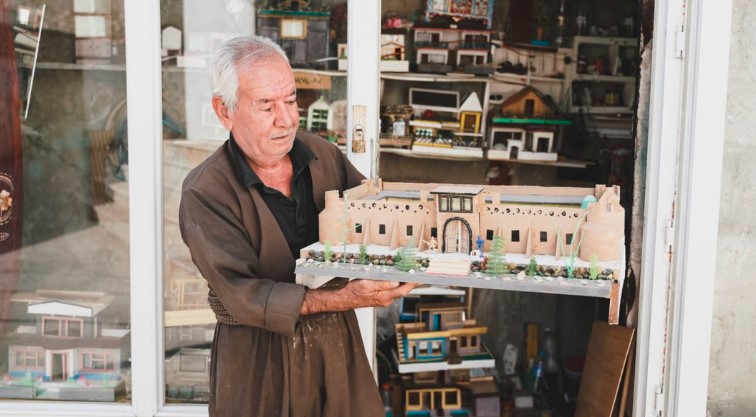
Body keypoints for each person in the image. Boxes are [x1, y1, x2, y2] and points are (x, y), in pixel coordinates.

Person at [179, 35, 416, 417]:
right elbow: (243, 295)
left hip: (337, 348)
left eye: (290, 101)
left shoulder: (322, 155)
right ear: (225, 111)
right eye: (266, 106)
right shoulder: (206, 192)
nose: (286, 119)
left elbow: (374, 217)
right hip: (258, 362)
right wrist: (345, 298)